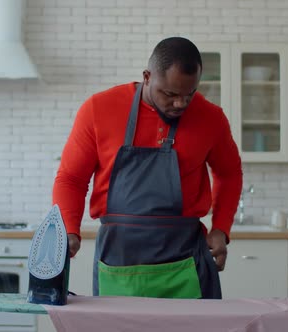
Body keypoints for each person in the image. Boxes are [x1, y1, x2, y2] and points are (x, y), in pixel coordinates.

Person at [52, 37, 243, 299]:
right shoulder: (98, 109)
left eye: (189, 94)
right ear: (147, 77)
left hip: (185, 257)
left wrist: (221, 228)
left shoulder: (211, 118)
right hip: (119, 257)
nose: (180, 104)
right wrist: (69, 229)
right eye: (170, 94)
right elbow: (71, 178)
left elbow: (229, 173)